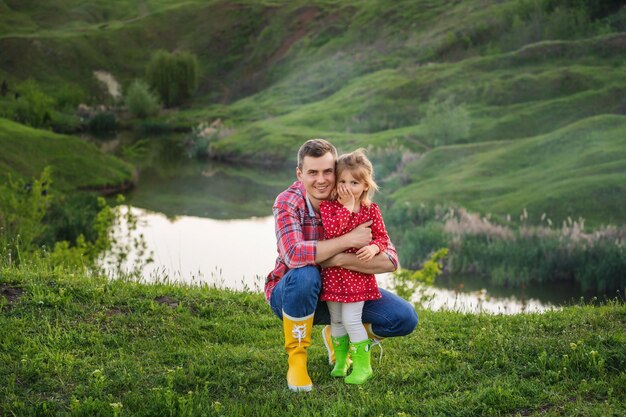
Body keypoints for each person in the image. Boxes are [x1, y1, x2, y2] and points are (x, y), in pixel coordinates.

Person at [266, 138, 418, 392]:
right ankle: (297, 361)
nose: (322, 179)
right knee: (305, 274)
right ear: (300, 174)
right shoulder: (288, 202)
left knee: (403, 318)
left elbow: (390, 260)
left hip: (346, 290)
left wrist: (338, 259)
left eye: (328, 171)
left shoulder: (360, 205)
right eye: (312, 172)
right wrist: (348, 240)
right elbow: (293, 254)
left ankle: (341, 337)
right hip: (295, 296)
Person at [319, 149, 388, 384]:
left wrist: (374, 248)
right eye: (342, 182)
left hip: (357, 277)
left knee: (351, 320)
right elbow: (333, 233)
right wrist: (347, 207)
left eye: (354, 183)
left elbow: (382, 238)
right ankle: (341, 360)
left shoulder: (371, 210)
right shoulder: (329, 209)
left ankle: (363, 366)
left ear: (366, 186)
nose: (347, 187)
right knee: (336, 320)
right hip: (333, 276)